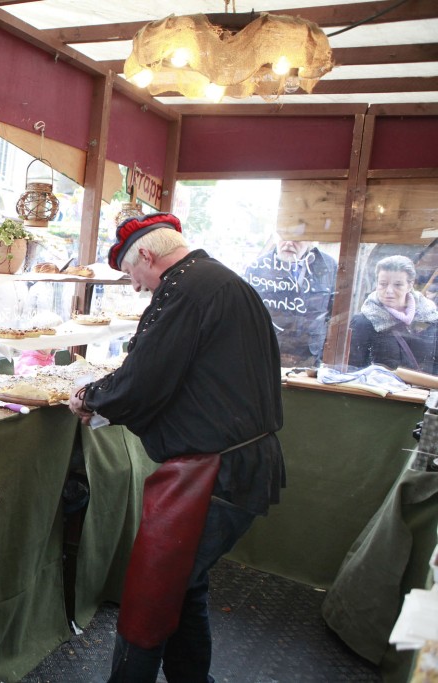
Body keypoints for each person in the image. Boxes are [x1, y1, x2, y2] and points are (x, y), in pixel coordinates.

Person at [69, 212, 285, 683]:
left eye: (132, 273)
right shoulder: (224, 282)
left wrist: (91, 397)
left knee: (151, 593)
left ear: (147, 255)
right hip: (243, 461)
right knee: (185, 585)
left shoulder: (185, 289)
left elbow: (145, 378)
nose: (135, 286)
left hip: (212, 470)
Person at [243, 233, 337, 367]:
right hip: (268, 355)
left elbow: (336, 316)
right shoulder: (257, 269)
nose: (288, 243)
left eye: (297, 239)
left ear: (310, 240)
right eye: (284, 236)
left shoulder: (328, 267)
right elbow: (246, 316)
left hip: (310, 358)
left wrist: (326, 358)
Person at [349, 255, 438, 373]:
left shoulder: (430, 318)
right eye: (383, 284)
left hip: (423, 385)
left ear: (410, 285)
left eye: (398, 285)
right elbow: (353, 370)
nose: (389, 291)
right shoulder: (363, 322)